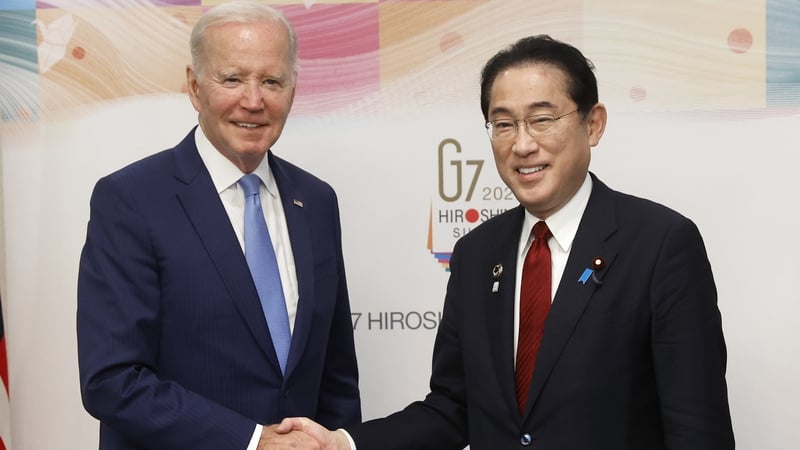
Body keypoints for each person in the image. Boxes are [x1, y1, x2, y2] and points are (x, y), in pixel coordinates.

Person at [278, 35, 735, 449]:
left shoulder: (660, 245)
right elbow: (454, 407)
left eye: (541, 119)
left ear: (593, 124)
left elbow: (697, 429)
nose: (522, 145)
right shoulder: (478, 254)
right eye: (503, 124)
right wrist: (343, 444)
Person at [76, 2, 361, 448]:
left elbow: (336, 374)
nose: (254, 100)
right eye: (232, 79)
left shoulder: (317, 201)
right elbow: (112, 380)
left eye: (271, 81)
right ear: (193, 86)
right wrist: (251, 440)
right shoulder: (130, 200)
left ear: (293, 88)